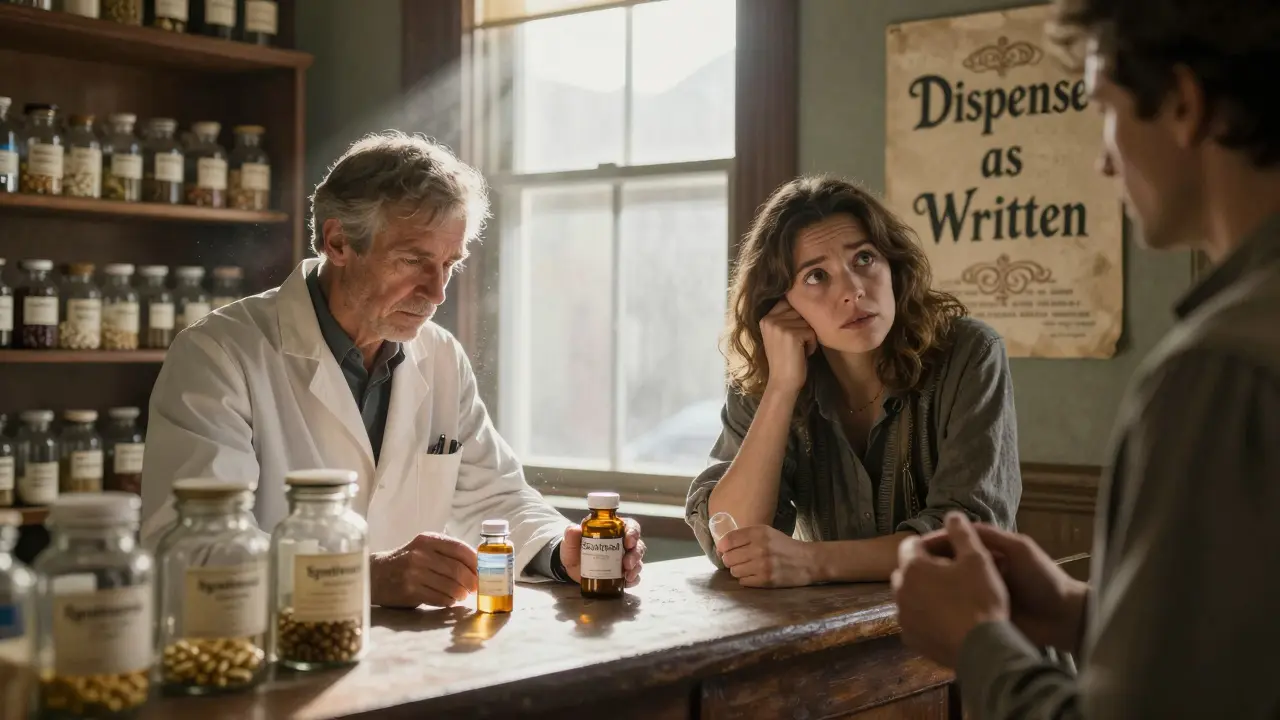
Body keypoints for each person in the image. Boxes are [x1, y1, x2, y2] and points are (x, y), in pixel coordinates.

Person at [892, 0, 1280, 716]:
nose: (1103, 158)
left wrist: (978, 642)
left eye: (1103, 109)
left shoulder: (1218, 371)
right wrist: (1078, 612)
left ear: (1185, 104)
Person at [140, 131, 644, 608]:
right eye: (412, 261)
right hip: (267, 659)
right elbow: (192, 549)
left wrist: (562, 551)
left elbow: (494, 493)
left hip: (406, 663)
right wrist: (365, 576)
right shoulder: (218, 354)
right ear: (338, 242)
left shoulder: (441, 357)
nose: (437, 292)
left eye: (450, 264)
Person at [685, 176, 1022, 587]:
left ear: (893, 267)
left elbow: (972, 540)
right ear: (780, 304)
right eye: (816, 276)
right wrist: (781, 389)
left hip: (975, 636)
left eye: (864, 258)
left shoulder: (970, 352)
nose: (853, 290)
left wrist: (813, 562)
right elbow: (730, 540)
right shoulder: (769, 377)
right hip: (843, 638)